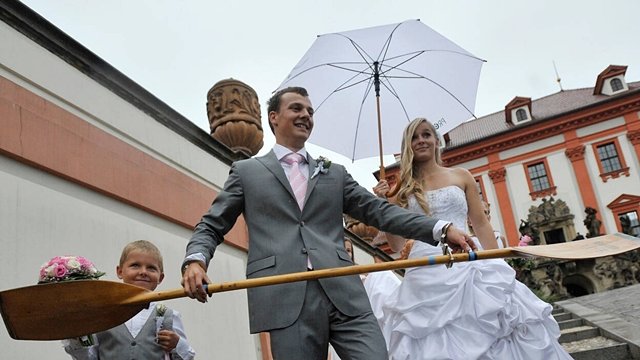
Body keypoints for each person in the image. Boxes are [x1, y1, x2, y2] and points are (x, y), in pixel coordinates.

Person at [181, 87, 477, 360]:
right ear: (273, 117)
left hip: (344, 293)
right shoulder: (246, 172)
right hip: (285, 296)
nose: (305, 116)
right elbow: (211, 225)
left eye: (310, 112)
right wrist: (195, 261)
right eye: (296, 109)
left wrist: (440, 228)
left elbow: (380, 213)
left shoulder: (333, 173)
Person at [373, 118, 571, 360]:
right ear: (407, 145)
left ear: (437, 141)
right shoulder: (400, 190)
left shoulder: (461, 175)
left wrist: (498, 261)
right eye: (414, 137)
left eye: (426, 134)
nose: (421, 140)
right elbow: (397, 245)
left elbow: (479, 222)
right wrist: (382, 205)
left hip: (468, 260)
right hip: (424, 271)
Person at [63, 240, 195, 360]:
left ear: (160, 278)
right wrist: (77, 338)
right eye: (135, 265)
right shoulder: (103, 315)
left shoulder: (169, 316)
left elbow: (187, 356)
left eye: (151, 268)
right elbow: (88, 357)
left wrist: (177, 344)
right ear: (120, 271)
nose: (143, 272)